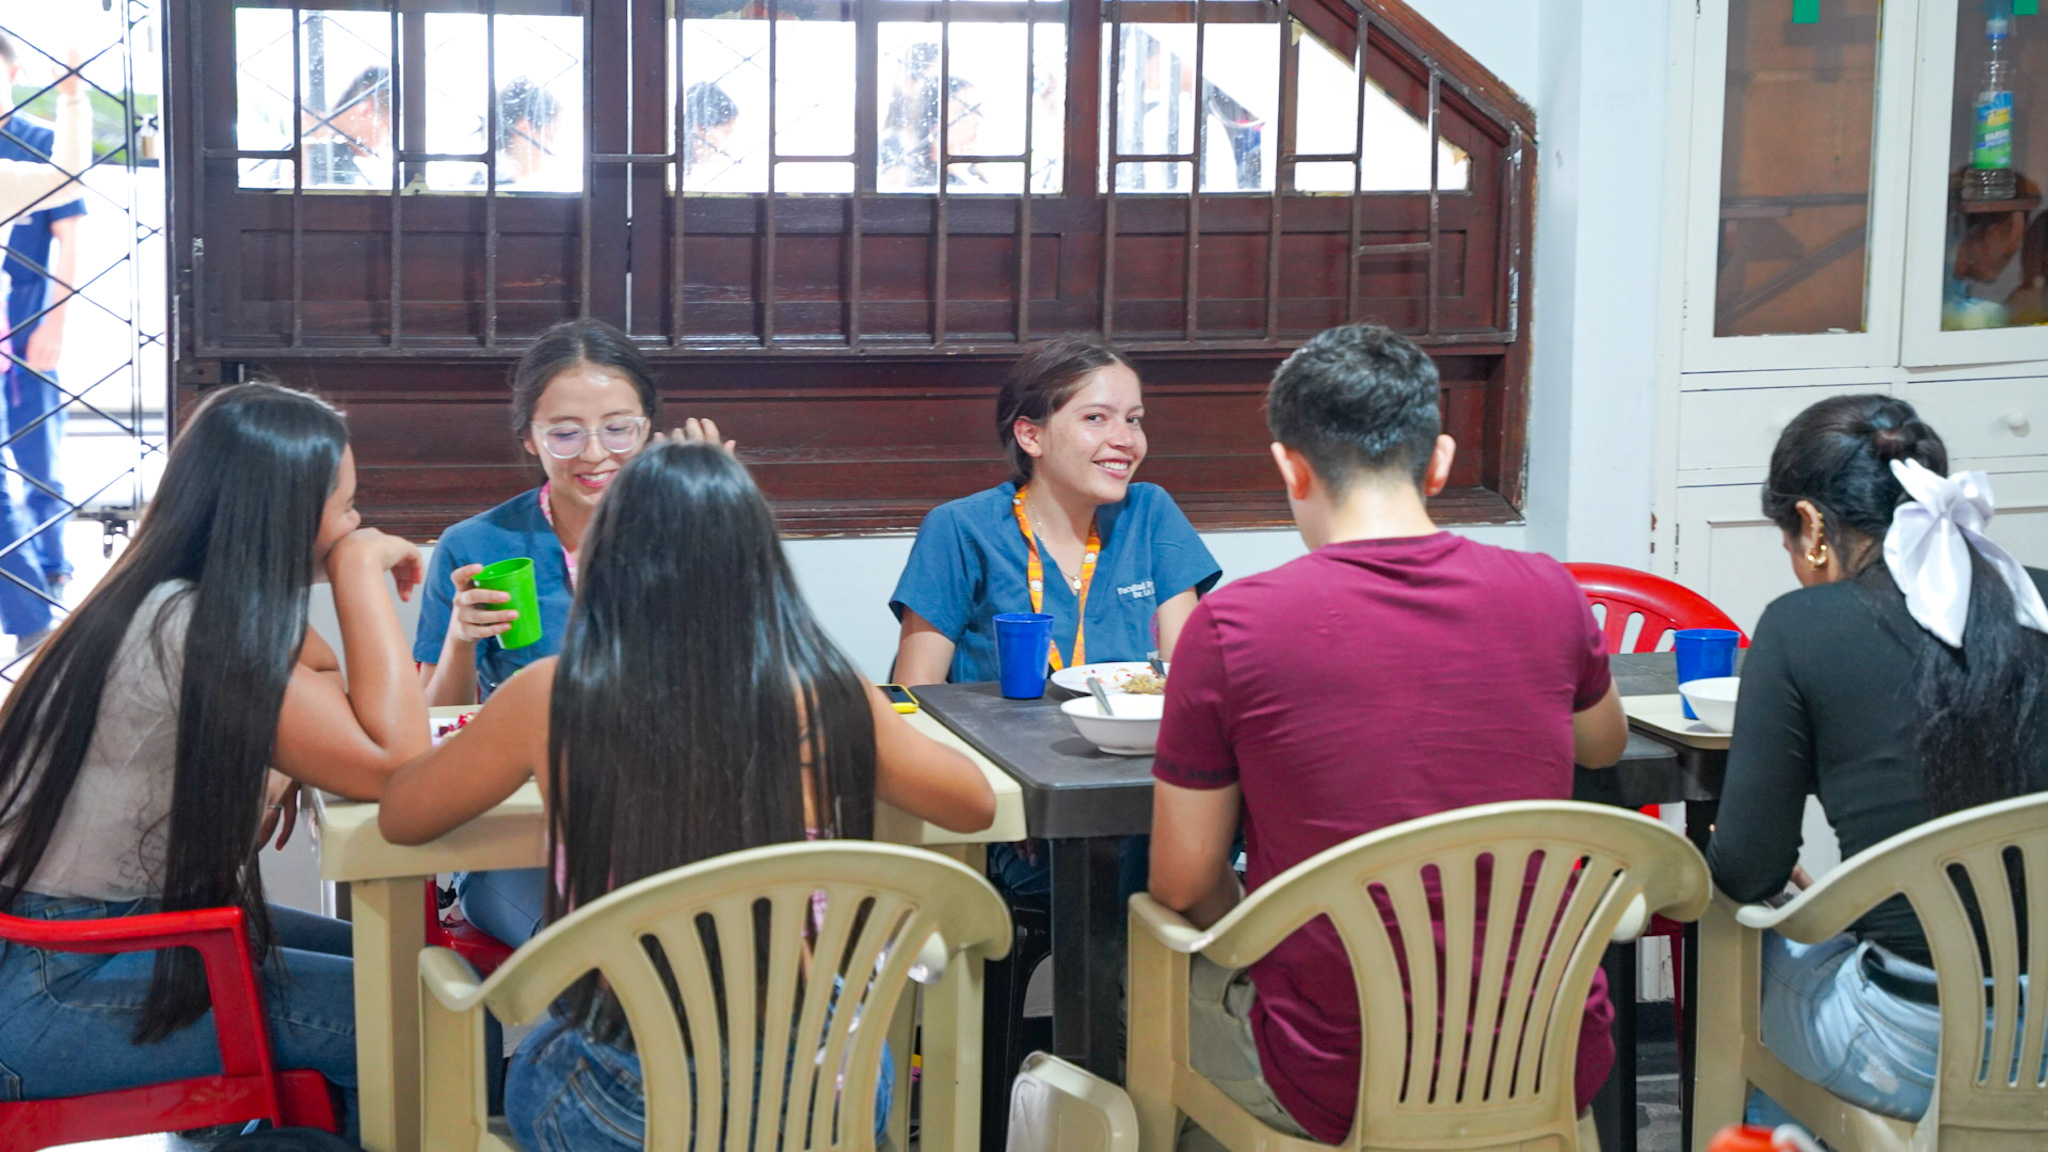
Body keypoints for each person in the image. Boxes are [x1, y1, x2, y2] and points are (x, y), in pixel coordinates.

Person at [378, 440, 997, 1152]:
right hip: (829, 1088)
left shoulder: (552, 696)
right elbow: (974, 804)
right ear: (759, 564)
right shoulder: (825, 689)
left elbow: (402, 817)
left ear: (608, 562)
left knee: (543, 1052)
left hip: (628, 1106)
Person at [1146, 323, 1629, 1147]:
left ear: (1290, 468)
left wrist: (1263, 923)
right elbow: (1603, 746)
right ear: (1439, 462)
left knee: (1142, 995)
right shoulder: (1549, 592)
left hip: (1333, 1076)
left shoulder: (1233, 627)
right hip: (1551, 1054)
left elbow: (1185, 884)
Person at [0, 382, 431, 1138]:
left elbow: (319, 673)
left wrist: (285, 758)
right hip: (57, 980)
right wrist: (360, 574)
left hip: (94, 944)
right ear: (284, 515)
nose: (355, 525)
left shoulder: (163, 597)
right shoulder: (189, 625)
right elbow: (399, 770)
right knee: (423, 1017)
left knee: (413, 969)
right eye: (345, 508)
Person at [1704, 394, 2048, 1123]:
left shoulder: (1801, 628)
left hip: (1912, 1048)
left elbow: (1747, 871)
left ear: (1810, 525)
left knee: (1734, 951)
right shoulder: (2036, 598)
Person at [413, 317, 728, 946]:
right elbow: (434, 728)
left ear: (648, 429)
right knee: (619, 946)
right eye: (564, 432)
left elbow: (737, 684)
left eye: (617, 428)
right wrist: (460, 641)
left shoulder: (690, 531)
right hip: (522, 843)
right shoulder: (475, 545)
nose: (594, 453)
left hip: (672, 831)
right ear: (529, 439)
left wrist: (712, 513)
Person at [891, 336, 1220, 687]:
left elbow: (1183, 681)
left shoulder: (1150, 512)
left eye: (1133, 419)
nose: (1125, 439)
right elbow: (916, 692)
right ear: (1031, 437)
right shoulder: (961, 527)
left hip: (1134, 723)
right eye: (1095, 417)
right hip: (999, 725)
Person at [0, 33, 87, 608]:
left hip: (26, 304)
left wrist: (54, 322)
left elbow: (71, 241)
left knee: (37, 449)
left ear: (12, 73)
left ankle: (51, 570)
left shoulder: (36, 140)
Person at [495, 77, 563, 189]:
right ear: (523, 128)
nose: (549, 152)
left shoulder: (491, 178)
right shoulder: (490, 186)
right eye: (551, 137)